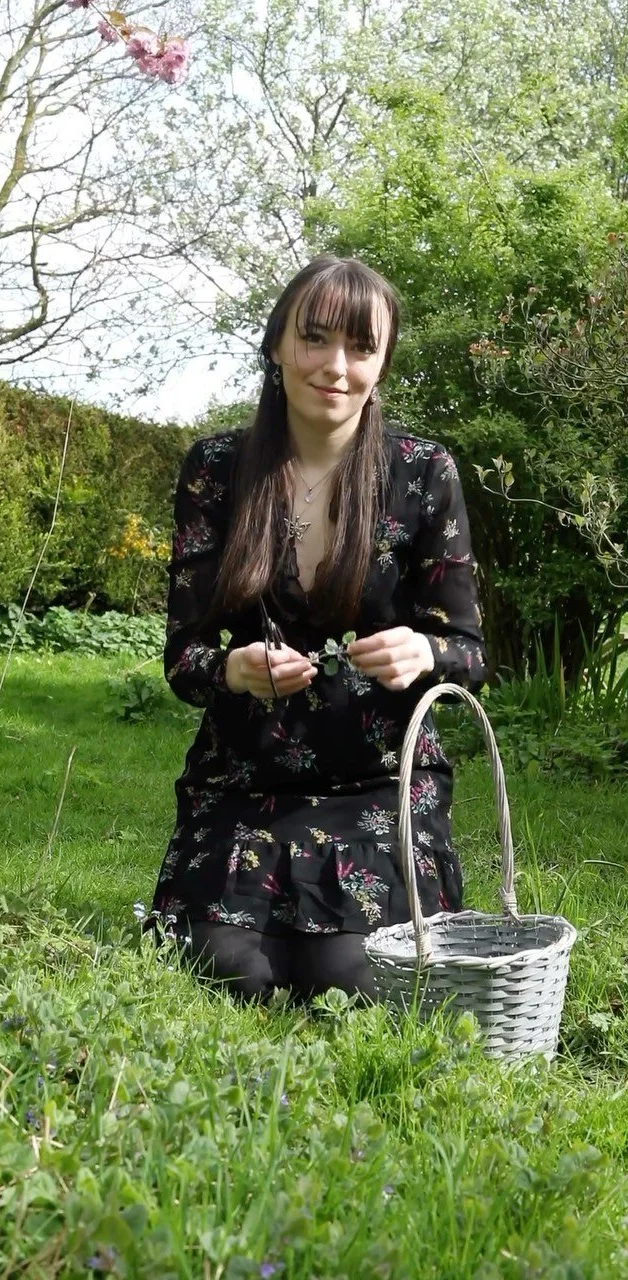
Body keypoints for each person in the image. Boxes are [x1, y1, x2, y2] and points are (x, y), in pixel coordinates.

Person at [146, 254, 487, 1003]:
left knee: (351, 976)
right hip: (246, 779)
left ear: (382, 363)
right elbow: (183, 657)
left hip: (380, 783)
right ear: (276, 345)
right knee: (229, 969)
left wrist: (422, 650)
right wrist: (232, 669)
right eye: (315, 338)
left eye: (362, 348)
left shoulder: (423, 473)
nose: (336, 366)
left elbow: (468, 652)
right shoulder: (216, 469)